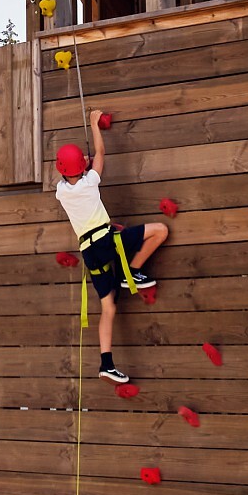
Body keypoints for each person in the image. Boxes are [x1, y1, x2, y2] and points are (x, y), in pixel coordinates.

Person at [52, 109, 167, 385]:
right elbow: (101, 153)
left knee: (109, 308)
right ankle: (134, 272)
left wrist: (84, 166)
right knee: (160, 230)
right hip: (106, 240)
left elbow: (78, 174)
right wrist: (94, 124)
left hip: (90, 252)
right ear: (82, 167)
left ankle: (106, 363)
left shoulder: (61, 192)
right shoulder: (91, 182)